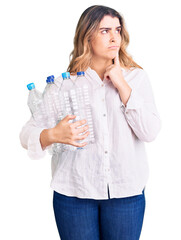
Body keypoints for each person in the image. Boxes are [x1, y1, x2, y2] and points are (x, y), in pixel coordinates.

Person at [20, 5, 162, 240]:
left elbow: (150, 131)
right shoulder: (62, 85)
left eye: (117, 29)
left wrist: (121, 84)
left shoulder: (136, 78)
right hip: (73, 195)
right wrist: (53, 134)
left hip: (126, 194)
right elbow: (26, 134)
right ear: (87, 36)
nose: (114, 37)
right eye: (105, 31)